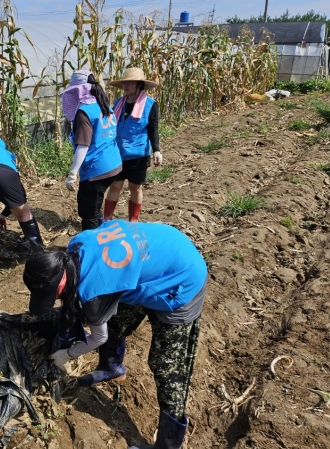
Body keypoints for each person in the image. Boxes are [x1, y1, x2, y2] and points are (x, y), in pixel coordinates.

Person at [23, 220, 208, 449]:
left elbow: (97, 337)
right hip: (156, 255)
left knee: (167, 366)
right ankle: (112, 368)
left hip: (179, 280)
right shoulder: (74, 247)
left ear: (61, 282)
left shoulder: (94, 290)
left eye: (53, 296)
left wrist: (68, 354)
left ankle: (168, 445)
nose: (55, 300)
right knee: (116, 323)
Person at [61, 70, 122, 230]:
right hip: (114, 164)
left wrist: (73, 174)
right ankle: (104, 229)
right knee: (95, 203)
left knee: (88, 213)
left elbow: (83, 146)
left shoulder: (84, 112)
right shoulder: (103, 104)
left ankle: (94, 246)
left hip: (97, 169)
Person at [103, 68, 163, 223]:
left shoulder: (150, 105)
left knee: (135, 188)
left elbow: (153, 128)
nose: (126, 85)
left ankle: (133, 222)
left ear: (139, 85)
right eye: (124, 82)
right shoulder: (118, 103)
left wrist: (156, 150)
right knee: (115, 186)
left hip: (138, 155)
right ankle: (107, 220)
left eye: (130, 82)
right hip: (118, 153)